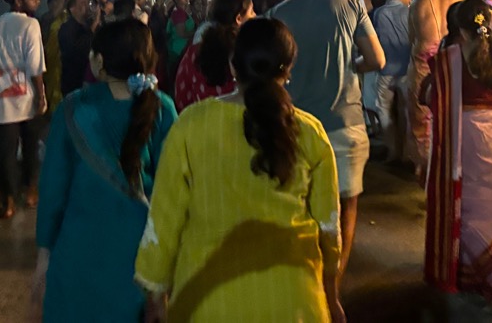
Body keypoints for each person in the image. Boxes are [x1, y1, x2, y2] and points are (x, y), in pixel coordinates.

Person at [135, 17, 344, 322]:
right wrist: (330, 293)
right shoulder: (309, 131)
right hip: (295, 300)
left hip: (206, 300)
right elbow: (329, 227)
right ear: (287, 70)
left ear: (233, 66)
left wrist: (155, 293)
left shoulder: (191, 125)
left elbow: (164, 218)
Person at [32, 19, 177, 322]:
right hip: (140, 255)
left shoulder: (73, 108)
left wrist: (44, 255)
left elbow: (53, 188)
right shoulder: (161, 106)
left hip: (79, 249)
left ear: (99, 61)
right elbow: (170, 192)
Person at [273, 0, 385, 281]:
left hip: (292, 123)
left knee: (298, 205)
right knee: (344, 205)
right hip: (343, 123)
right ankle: (332, 285)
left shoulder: (276, 14)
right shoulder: (350, 5)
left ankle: (300, 280)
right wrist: (352, 67)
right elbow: (377, 60)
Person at [424, 0, 492, 302]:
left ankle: (467, 268)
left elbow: (426, 95)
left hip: (467, 138)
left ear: (461, 32)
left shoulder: (450, 58)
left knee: (467, 203)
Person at [0, 0, 47, 219]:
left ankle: (7, 202)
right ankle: (31, 191)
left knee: (6, 153)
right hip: (26, 95)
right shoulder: (30, 24)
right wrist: (41, 96)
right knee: (30, 147)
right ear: (19, 1)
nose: (37, 2)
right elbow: (35, 65)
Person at [406, 0, 465, 178]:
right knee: (451, 118)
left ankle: (424, 168)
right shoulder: (460, 1)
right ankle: (449, 167)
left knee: (422, 121)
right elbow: (491, 17)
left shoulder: (416, 5)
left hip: (423, 65)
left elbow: (411, 38)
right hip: (452, 65)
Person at [174, 0, 253, 112]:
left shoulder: (195, 52)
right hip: (240, 125)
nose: (255, 16)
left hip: (201, 123)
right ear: (238, 18)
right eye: (251, 12)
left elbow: (182, 96)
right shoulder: (248, 52)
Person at [371, 0, 415, 164]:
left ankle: (392, 149)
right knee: (407, 110)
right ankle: (407, 151)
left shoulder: (379, 13)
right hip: (407, 68)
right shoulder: (410, 12)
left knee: (383, 107)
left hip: (386, 69)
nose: (411, 0)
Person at [58, 0, 97, 98]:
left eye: (87, 3)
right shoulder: (67, 27)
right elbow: (76, 50)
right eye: (83, 4)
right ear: (72, 9)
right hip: (73, 79)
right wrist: (93, 28)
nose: (87, 7)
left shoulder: (88, 24)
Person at [165, 0, 195, 77]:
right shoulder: (178, 13)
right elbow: (181, 33)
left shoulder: (184, 12)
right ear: (176, 0)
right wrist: (196, 33)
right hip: (178, 50)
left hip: (181, 48)